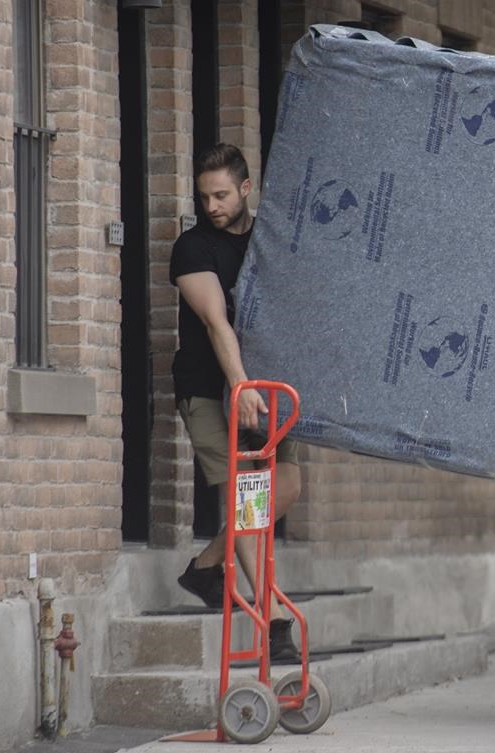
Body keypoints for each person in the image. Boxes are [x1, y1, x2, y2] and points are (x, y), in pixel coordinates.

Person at [169, 143, 302, 660]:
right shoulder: (193, 248)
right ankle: (273, 622)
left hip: (266, 393)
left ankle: (206, 567)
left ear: (246, 189)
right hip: (209, 390)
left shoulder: (268, 242)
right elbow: (216, 320)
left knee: (286, 486)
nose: (212, 206)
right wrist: (240, 385)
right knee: (245, 497)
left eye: (221, 195)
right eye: (204, 197)